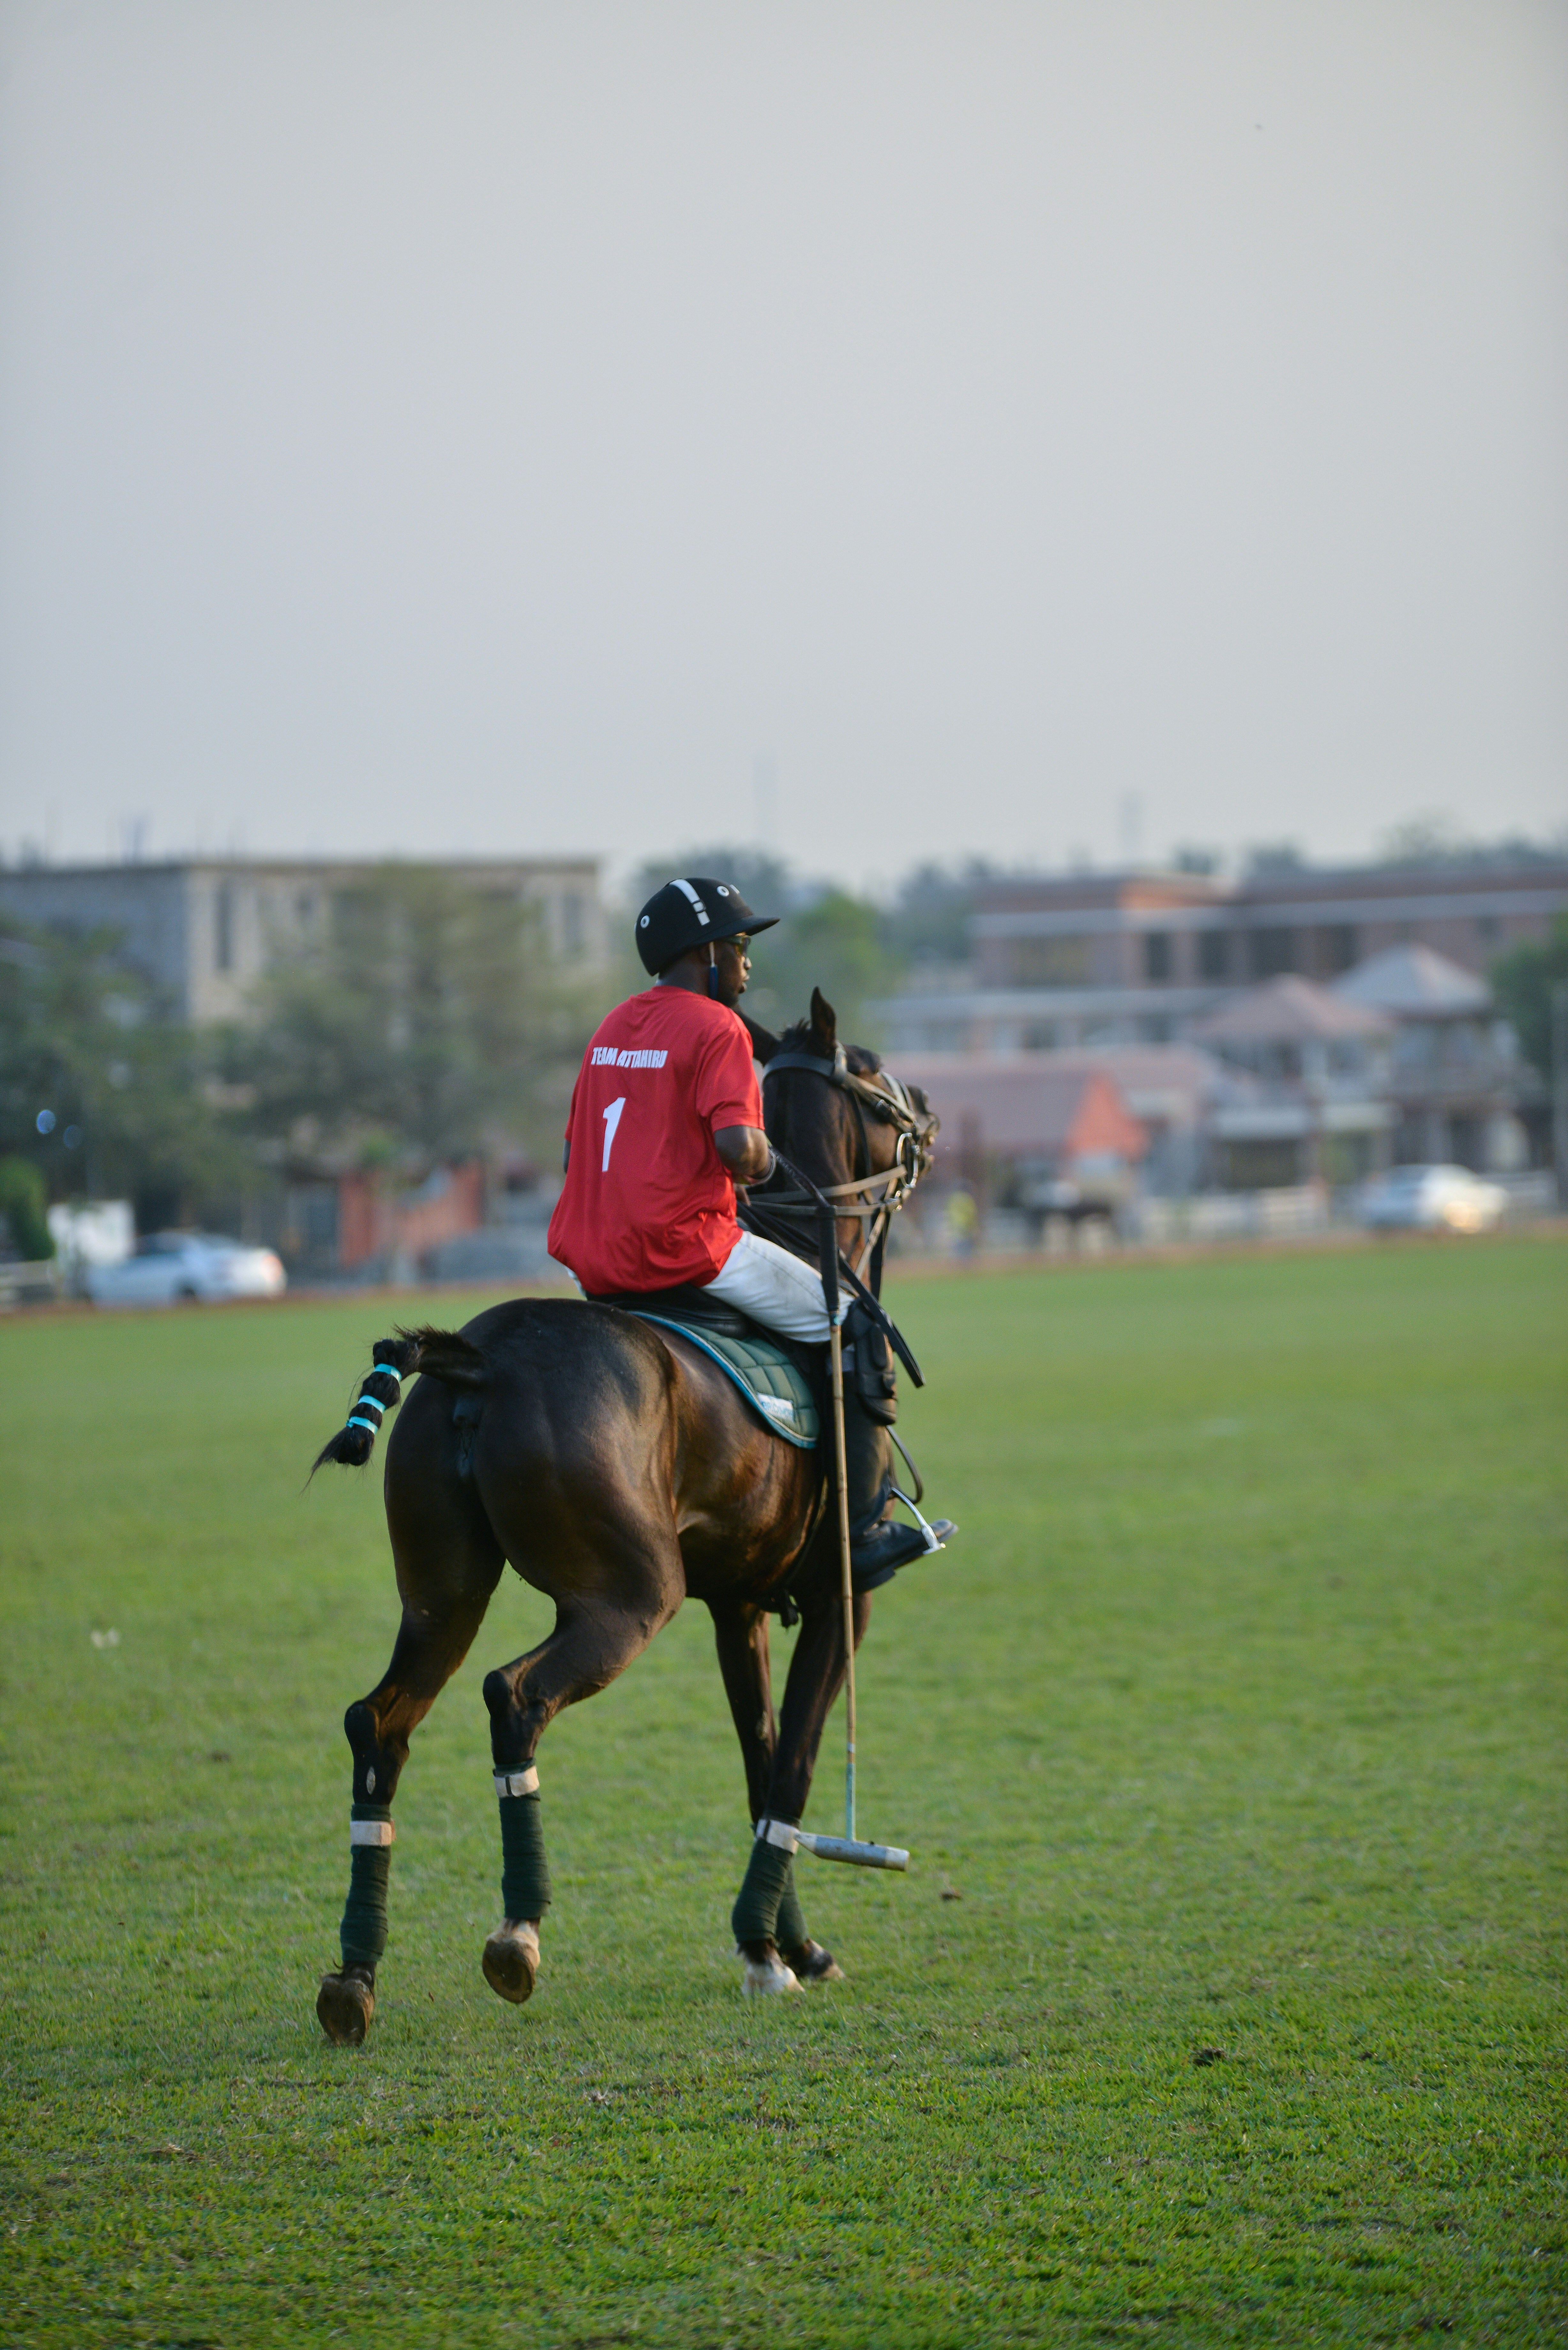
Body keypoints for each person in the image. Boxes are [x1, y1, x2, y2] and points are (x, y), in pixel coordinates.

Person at [547, 875, 952, 1581]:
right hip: (684, 1252)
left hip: (595, 1265)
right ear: (705, 953)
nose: (746, 962)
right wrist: (766, 1156)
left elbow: (572, 1153)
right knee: (857, 1318)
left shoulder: (610, 1028)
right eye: (739, 945)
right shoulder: (718, 1028)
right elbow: (738, 1149)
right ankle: (866, 1530)